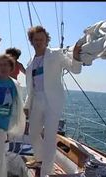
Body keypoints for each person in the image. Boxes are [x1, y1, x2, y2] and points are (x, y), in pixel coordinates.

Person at [23, 26, 83, 176]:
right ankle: (40, 159)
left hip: (53, 102)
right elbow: (30, 87)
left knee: (50, 138)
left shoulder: (55, 54)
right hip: (36, 100)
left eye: (41, 39)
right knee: (33, 133)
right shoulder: (30, 63)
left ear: (46, 40)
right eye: (35, 39)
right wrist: (26, 105)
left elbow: (75, 69)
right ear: (31, 41)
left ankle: (45, 172)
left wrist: (76, 56)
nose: (38, 42)